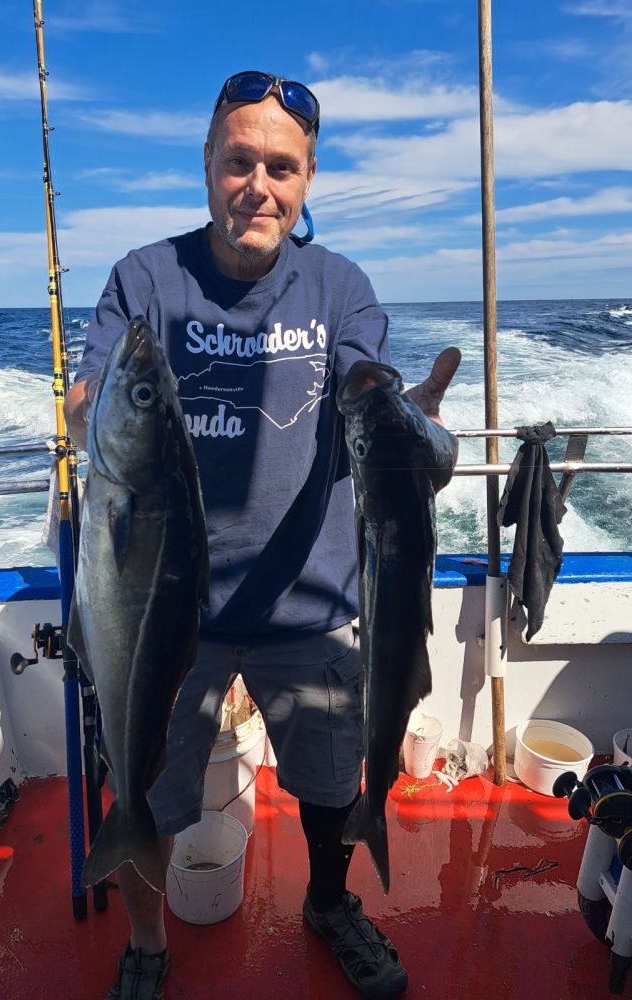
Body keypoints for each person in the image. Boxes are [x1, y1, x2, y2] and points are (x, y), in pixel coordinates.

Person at [66, 70, 460, 1000]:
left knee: (330, 791)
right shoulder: (144, 278)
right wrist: (90, 414)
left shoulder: (340, 286)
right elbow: (94, 400)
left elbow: (370, 387)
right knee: (149, 795)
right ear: (207, 165)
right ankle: (148, 946)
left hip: (312, 602)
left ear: (309, 178)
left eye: (281, 167)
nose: (259, 185)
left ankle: (329, 903)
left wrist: (412, 426)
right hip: (170, 616)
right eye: (239, 161)